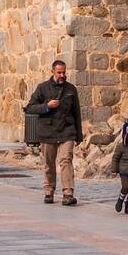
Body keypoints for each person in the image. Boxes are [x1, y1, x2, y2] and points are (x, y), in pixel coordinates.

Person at [24, 60, 84, 206]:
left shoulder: (71, 89)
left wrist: (79, 135)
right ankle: (49, 191)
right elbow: (29, 108)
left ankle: (68, 193)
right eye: (59, 72)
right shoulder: (42, 88)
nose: (62, 75)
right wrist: (46, 106)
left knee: (66, 160)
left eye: (64, 72)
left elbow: (77, 112)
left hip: (67, 131)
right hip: (48, 131)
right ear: (53, 72)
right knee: (49, 163)